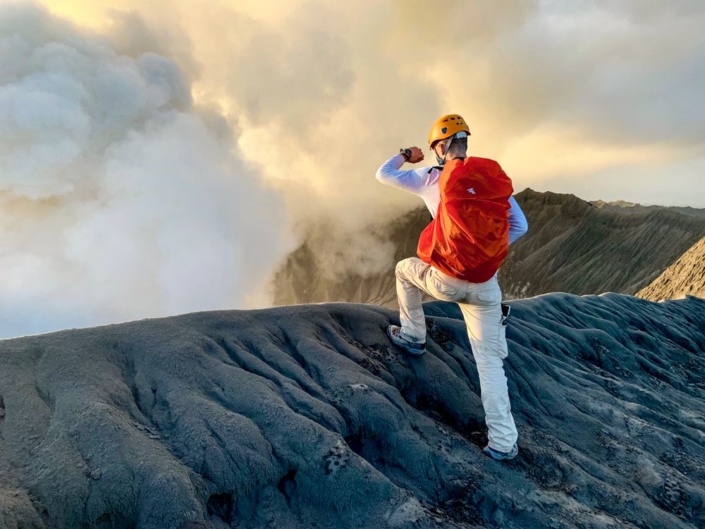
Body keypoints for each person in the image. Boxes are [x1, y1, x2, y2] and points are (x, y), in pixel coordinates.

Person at [375, 114, 528, 461]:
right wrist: (486, 254)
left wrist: (405, 154)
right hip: (485, 286)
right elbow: (520, 225)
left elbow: (383, 174)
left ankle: (413, 336)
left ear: (439, 148)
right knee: (489, 365)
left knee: (404, 270)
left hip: (445, 279)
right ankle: (503, 443)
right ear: (465, 143)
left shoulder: (430, 177)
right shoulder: (489, 180)